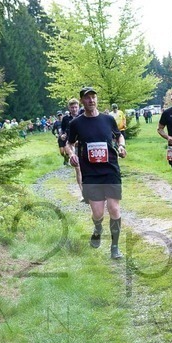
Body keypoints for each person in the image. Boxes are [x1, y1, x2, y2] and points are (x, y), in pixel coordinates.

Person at [65, 87, 127, 259]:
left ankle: (115, 247)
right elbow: (69, 144)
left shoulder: (108, 119)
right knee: (98, 213)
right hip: (91, 173)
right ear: (82, 101)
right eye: (87, 98)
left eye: (93, 97)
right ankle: (98, 227)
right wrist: (71, 155)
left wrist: (122, 146)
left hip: (110, 169)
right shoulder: (76, 123)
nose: (91, 100)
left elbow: (119, 136)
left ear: (96, 100)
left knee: (114, 209)